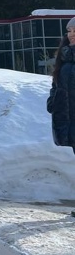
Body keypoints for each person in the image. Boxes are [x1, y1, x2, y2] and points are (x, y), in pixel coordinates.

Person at [49, 18, 75, 156]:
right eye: (69, 31)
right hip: (69, 122)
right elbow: (56, 84)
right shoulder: (64, 59)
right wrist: (53, 101)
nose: (71, 34)